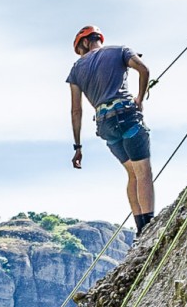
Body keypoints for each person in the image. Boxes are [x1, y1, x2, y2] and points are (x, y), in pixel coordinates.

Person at [66, 25, 155, 231]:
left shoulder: (76, 70)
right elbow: (144, 70)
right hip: (126, 115)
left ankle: (141, 227)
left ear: (85, 42)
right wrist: (140, 98)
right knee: (143, 172)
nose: (81, 55)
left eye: (79, 51)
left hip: (105, 124)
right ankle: (150, 226)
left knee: (132, 173)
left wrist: (78, 147)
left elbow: (76, 111)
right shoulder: (120, 51)